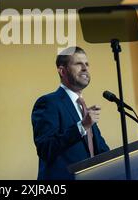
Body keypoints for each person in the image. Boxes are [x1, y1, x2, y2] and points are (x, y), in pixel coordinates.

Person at [31, 46, 110, 180]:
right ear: (62, 71)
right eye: (78, 64)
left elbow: (103, 153)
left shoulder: (84, 110)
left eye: (86, 64)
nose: (85, 68)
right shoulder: (48, 103)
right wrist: (82, 126)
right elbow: (46, 149)